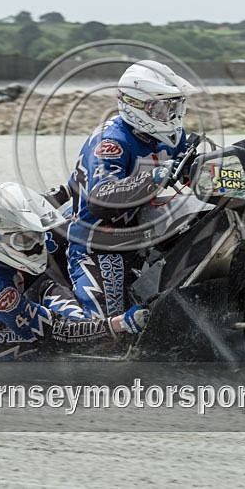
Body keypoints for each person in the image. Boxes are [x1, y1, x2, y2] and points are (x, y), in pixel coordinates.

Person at [0, 182, 149, 360]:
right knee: (73, 334)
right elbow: (54, 330)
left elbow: (39, 207)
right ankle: (100, 353)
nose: (35, 245)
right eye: (24, 240)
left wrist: (75, 188)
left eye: (34, 235)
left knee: (68, 224)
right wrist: (119, 324)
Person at [66, 59, 194, 319]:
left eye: (175, 106)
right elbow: (100, 199)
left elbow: (193, 171)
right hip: (100, 241)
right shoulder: (111, 141)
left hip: (150, 233)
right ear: (137, 105)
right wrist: (155, 176)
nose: (171, 115)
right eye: (162, 107)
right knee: (109, 333)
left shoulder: (174, 135)